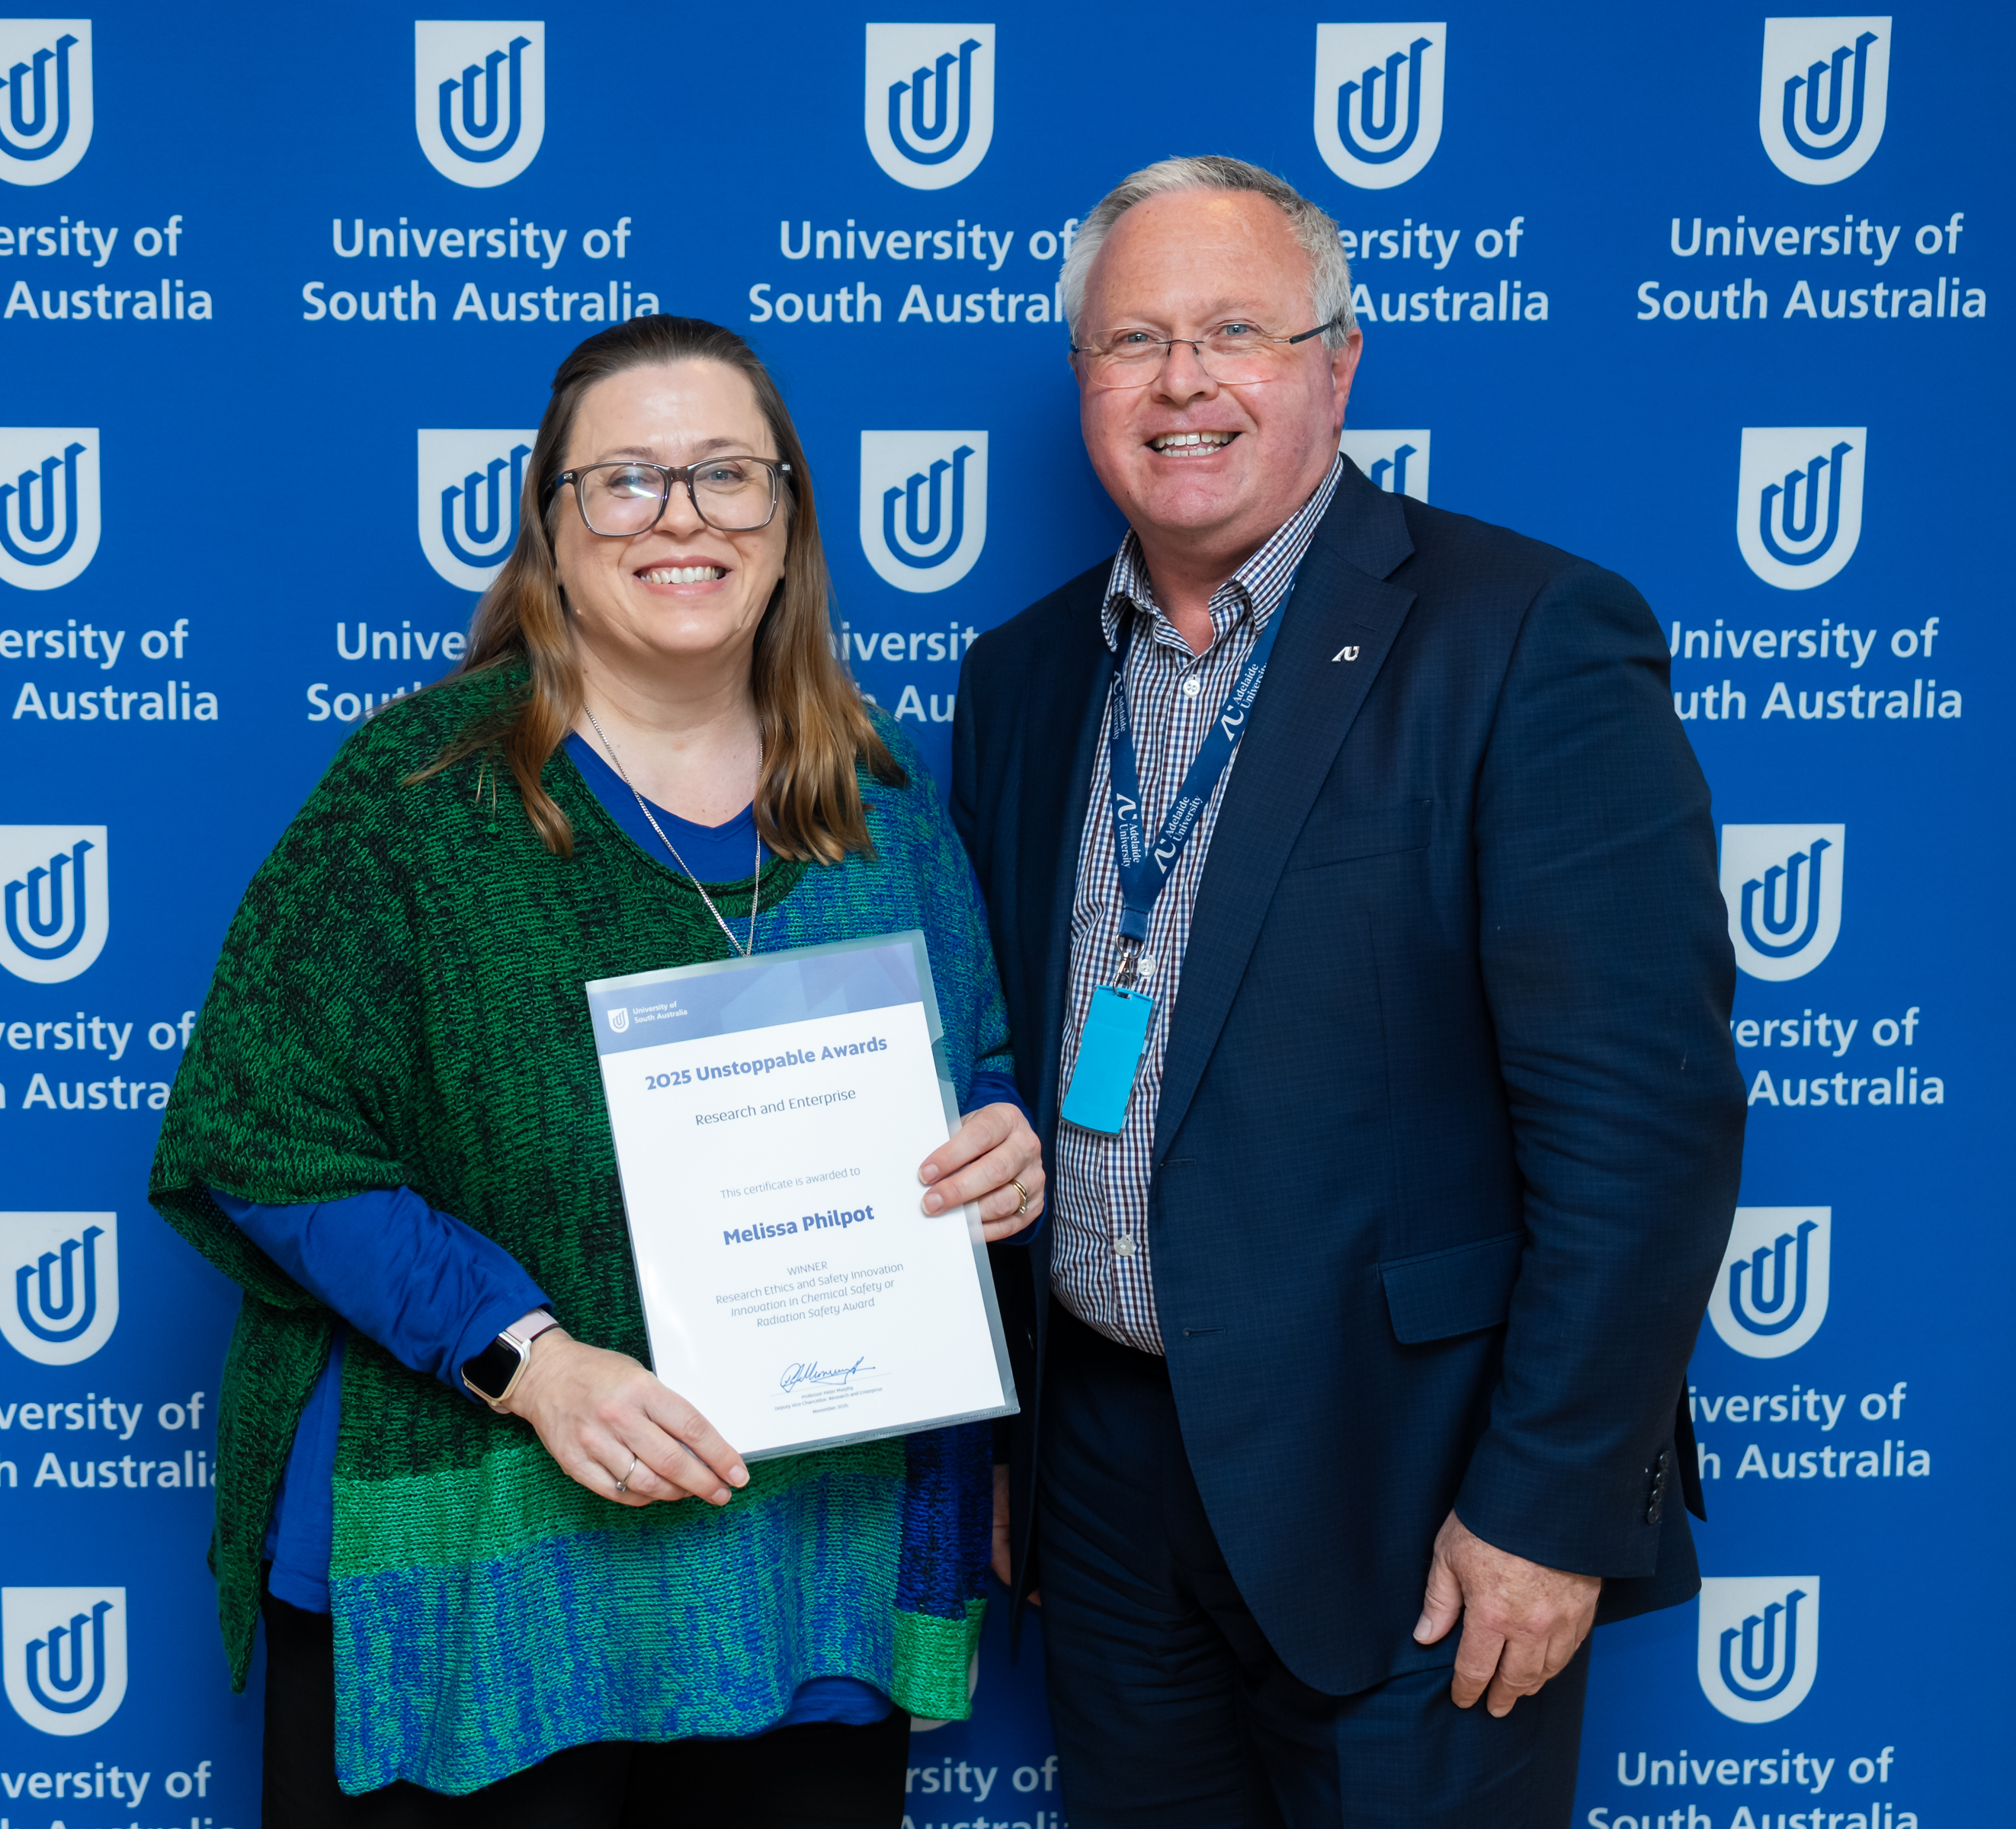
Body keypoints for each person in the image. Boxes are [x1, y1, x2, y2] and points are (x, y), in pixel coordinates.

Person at [150, 314, 1045, 1826]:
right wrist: (527, 1358)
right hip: (476, 1564)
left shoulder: (884, 808)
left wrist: (1000, 1141)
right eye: (625, 480)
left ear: (789, 521)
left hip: (797, 1570)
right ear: (551, 532)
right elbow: (260, 1135)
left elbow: (979, 1068)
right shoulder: (422, 794)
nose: (681, 517)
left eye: (726, 477)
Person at [952, 156, 1745, 1825]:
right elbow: (1015, 1067)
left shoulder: (1525, 636)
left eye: (1238, 329)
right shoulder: (1022, 678)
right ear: (1081, 378)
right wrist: (1013, 1446)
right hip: (1103, 1485)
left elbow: (1644, 1127)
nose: (1183, 383)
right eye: (1132, 340)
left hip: (1417, 1496)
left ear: (1340, 362)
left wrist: (1548, 1506)